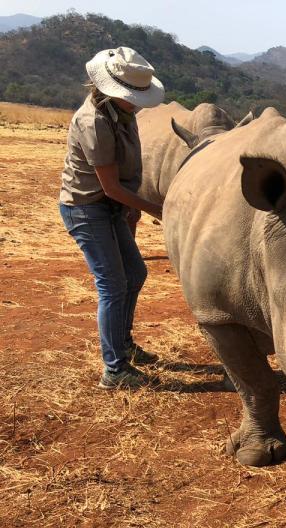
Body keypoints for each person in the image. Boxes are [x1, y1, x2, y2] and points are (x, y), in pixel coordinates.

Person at [59, 47, 165, 390]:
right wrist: (156, 209)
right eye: (133, 96)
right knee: (112, 285)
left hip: (110, 206)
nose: (137, 102)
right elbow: (109, 186)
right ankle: (115, 369)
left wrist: (133, 204)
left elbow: (124, 178)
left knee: (135, 272)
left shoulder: (122, 113)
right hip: (87, 208)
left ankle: (123, 344)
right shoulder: (94, 122)